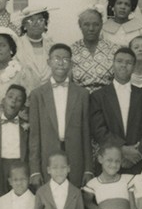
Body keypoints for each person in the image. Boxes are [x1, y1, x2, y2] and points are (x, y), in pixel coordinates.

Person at [28, 44, 93, 188]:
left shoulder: (82, 94)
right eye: (57, 58)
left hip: (75, 158)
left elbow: (86, 134)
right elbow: (34, 136)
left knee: (74, 200)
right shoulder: (37, 94)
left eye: (66, 59)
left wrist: (88, 168)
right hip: (48, 157)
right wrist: (34, 170)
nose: (61, 62)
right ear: (48, 62)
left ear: (71, 63)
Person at [90, 48, 142, 175]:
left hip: (138, 161)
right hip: (109, 161)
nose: (124, 65)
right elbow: (98, 129)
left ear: (134, 67)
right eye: (119, 61)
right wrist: (122, 149)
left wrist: (138, 152)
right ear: (112, 64)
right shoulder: (98, 96)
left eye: (129, 62)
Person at [72, 8, 120, 94]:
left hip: (107, 99)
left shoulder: (114, 49)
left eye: (96, 24)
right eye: (86, 24)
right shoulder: (72, 50)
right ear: (80, 25)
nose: (91, 28)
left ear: (101, 25)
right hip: (80, 100)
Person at [15, 5, 56, 93]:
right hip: (24, 94)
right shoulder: (16, 45)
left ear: (45, 24)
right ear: (24, 25)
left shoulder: (52, 46)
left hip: (49, 93)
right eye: (31, 20)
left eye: (40, 19)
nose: (36, 23)